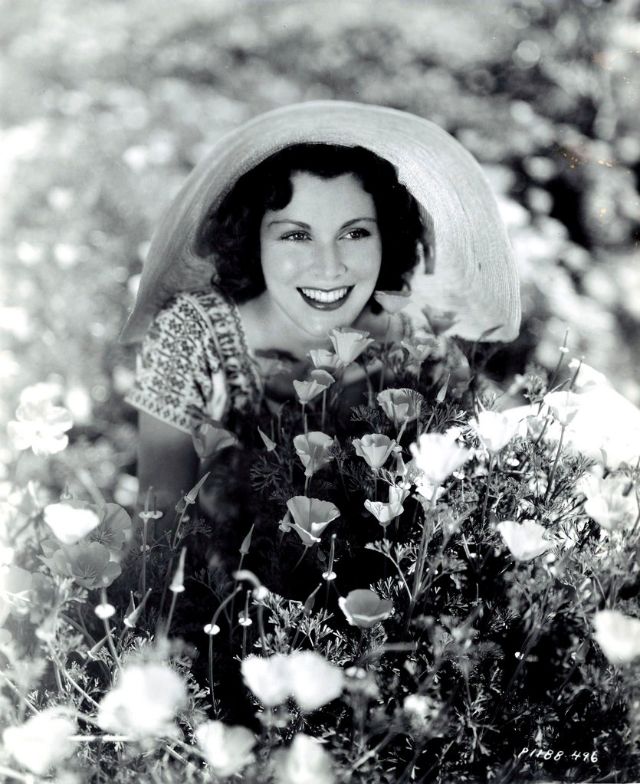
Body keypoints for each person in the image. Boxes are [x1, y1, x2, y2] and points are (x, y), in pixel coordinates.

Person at [121, 101, 521, 525]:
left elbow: (490, 452)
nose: (329, 268)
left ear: (387, 237)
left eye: (355, 233)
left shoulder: (418, 346)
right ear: (252, 238)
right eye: (296, 236)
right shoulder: (189, 334)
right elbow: (159, 526)